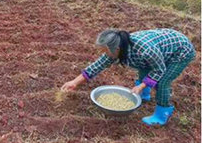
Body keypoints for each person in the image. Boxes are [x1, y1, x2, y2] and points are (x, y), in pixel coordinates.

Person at [61, 28, 195, 126]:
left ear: (116, 48)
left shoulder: (145, 50)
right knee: (143, 67)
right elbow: (98, 65)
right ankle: (143, 95)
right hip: (162, 48)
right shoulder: (117, 49)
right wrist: (75, 82)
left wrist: (141, 85)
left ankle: (161, 115)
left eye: (104, 50)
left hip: (180, 51)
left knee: (163, 81)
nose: (103, 53)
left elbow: (159, 69)